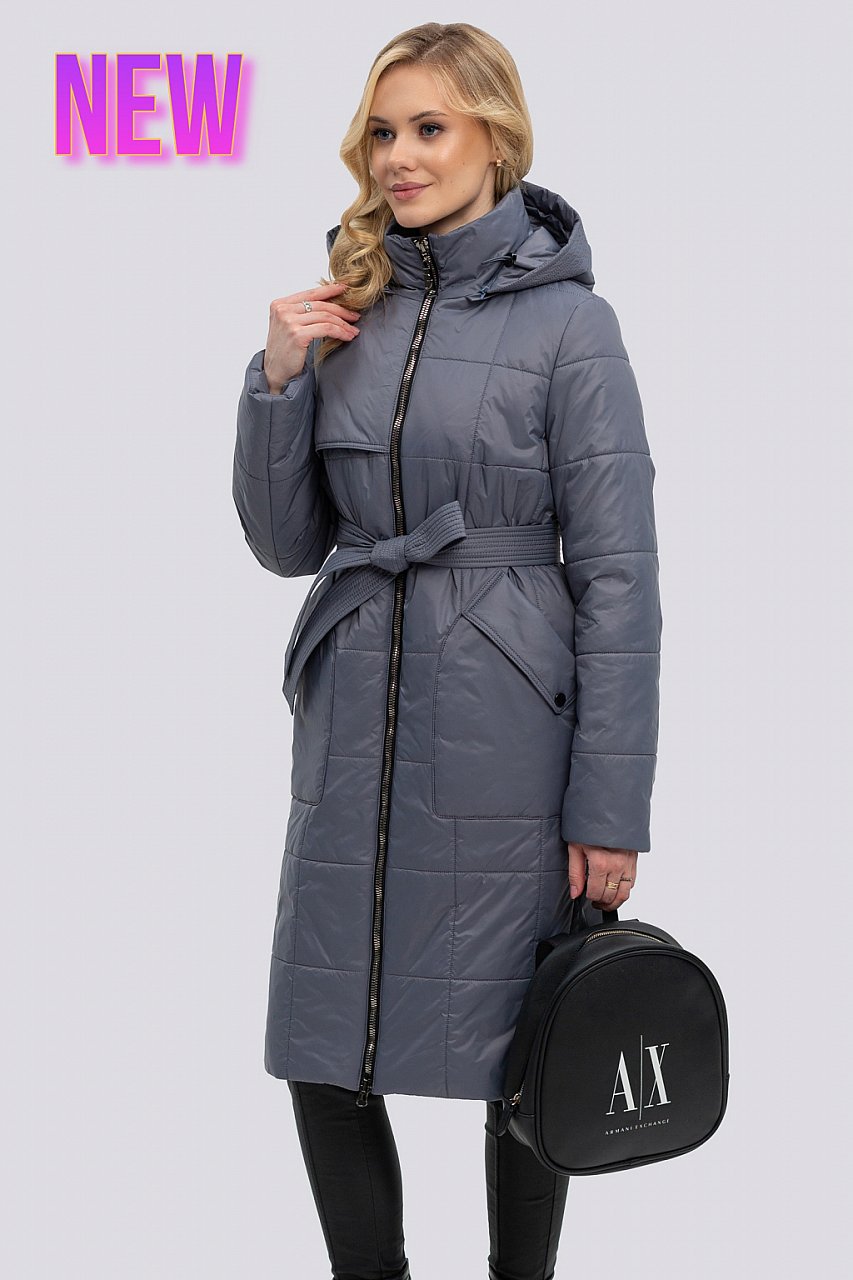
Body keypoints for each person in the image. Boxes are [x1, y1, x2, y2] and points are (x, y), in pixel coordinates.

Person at [232, 20, 662, 1280]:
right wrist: (278, 378)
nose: (399, 157)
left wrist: (608, 806)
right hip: (353, 718)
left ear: (495, 138)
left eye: (429, 127)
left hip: (506, 732)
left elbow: (622, 580)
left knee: (528, 1037)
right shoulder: (346, 306)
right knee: (322, 1038)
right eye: (382, 131)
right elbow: (286, 542)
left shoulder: (573, 327)